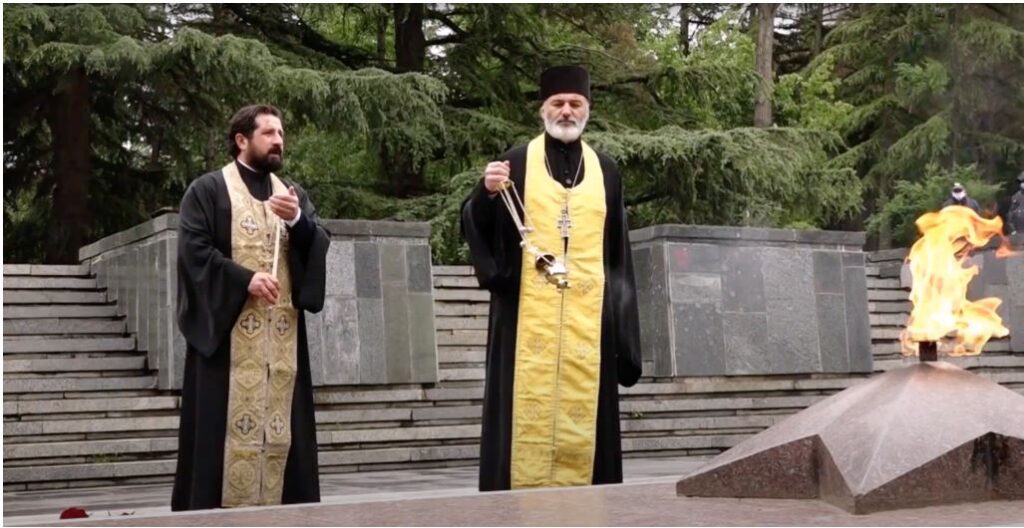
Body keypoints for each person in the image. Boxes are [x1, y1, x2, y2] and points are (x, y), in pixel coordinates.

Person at [460, 65, 642, 492]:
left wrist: (625, 335)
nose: (566, 111)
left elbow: (618, 252)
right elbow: (475, 223)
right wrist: (486, 194)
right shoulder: (516, 162)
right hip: (525, 321)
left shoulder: (606, 171)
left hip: (589, 325)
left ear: (587, 109)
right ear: (543, 109)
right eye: (557, 103)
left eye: (575, 103)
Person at [172, 104, 330, 511]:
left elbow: (318, 240)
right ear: (241, 139)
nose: (279, 140)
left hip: (281, 343)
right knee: (219, 439)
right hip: (228, 342)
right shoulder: (208, 191)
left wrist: (298, 221)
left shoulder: (290, 194)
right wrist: (245, 279)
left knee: (284, 438)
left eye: (281, 133)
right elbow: (193, 251)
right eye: (269, 133)